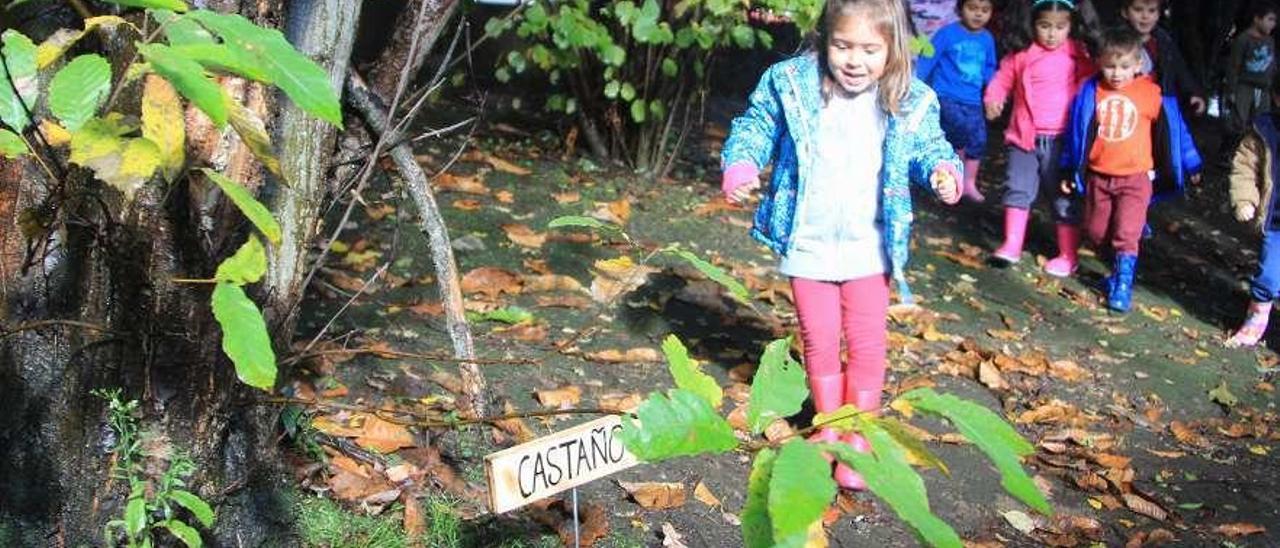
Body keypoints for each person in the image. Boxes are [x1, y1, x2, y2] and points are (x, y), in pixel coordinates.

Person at [721, 0, 961, 489]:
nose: (855, 61)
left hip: (869, 246)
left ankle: (860, 435)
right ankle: (832, 427)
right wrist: (741, 163)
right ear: (824, 39)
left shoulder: (909, 99)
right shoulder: (791, 83)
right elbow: (757, 123)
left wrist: (944, 170)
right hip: (808, 242)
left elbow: (930, 146)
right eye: (843, 46)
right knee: (820, 339)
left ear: (893, 47)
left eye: (870, 50)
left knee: (868, 341)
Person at [1059, 26, 1202, 312]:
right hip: (1099, 175)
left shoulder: (1151, 93)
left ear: (1138, 65)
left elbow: (1177, 131)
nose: (1116, 73)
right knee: (1097, 231)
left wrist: (1192, 162)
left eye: (1124, 66)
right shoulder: (1091, 90)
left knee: (1126, 233)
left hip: (1136, 178)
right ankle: (1115, 271)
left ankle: (1123, 283)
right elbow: (1075, 131)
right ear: (1100, 62)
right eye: (1110, 65)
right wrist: (1067, 168)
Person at [984, 0, 1099, 275]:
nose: (1052, 33)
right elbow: (1002, 80)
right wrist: (993, 98)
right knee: (1017, 188)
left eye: (1060, 27)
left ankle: (1068, 254)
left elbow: (1094, 84)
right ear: (1033, 24)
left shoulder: (1077, 55)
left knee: (1063, 196)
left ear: (1071, 26)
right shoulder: (1023, 55)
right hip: (1024, 136)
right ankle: (1012, 243)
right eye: (1045, 26)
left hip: (1062, 141)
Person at [917, 0, 999, 202]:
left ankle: (969, 183)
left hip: (973, 100)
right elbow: (928, 59)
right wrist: (915, 86)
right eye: (972, 8)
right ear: (960, 8)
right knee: (959, 131)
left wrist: (994, 95)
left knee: (978, 139)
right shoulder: (947, 33)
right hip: (946, 95)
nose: (978, 14)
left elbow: (990, 68)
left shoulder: (987, 39)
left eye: (984, 10)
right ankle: (952, 174)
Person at [1226, 69, 1280, 347]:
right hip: (1276, 223)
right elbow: (1244, 167)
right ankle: (1256, 317)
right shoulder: (1263, 132)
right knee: (1269, 276)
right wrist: (1245, 199)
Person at [1226, 2, 1278, 144]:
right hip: (1245, 87)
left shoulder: (1270, 41)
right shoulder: (1244, 40)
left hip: (1264, 90)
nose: (1272, 25)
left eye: (1274, 21)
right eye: (1269, 19)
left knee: (1261, 125)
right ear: (1257, 19)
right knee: (1238, 123)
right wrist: (1231, 91)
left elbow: (1272, 65)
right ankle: (1228, 153)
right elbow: (1234, 66)